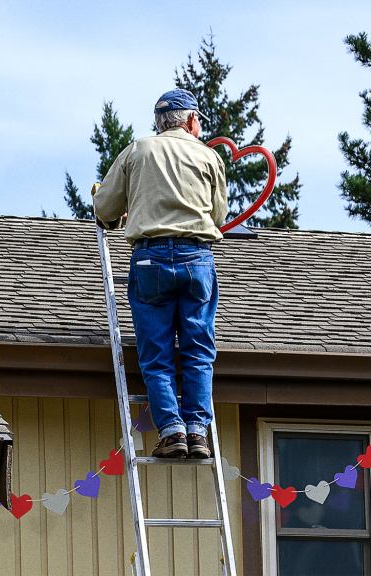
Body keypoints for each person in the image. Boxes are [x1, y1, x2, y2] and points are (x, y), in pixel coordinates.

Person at [93, 88, 227, 459]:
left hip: (150, 259)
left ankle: (172, 431)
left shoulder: (138, 150)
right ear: (191, 121)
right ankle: (198, 431)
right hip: (197, 257)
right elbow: (217, 217)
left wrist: (117, 211)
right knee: (199, 350)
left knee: (157, 353)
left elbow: (105, 206)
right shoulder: (208, 156)